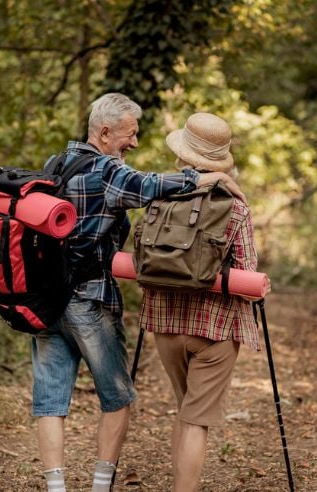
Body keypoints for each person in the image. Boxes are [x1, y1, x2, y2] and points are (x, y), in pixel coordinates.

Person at [33, 95, 245, 492]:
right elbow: (149, 186)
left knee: (50, 400)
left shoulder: (55, 164)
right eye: (129, 134)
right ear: (105, 132)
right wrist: (208, 178)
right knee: (116, 398)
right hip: (91, 300)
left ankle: (55, 488)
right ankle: (100, 487)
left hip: (45, 301)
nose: (134, 142)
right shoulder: (106, 170)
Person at [138, 112, 261, 492]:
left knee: (185, 409)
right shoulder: (235, 207)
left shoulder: (159, 195)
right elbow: (246, 272)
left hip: (165, 326)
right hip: (215, 331)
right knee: (195, 419)